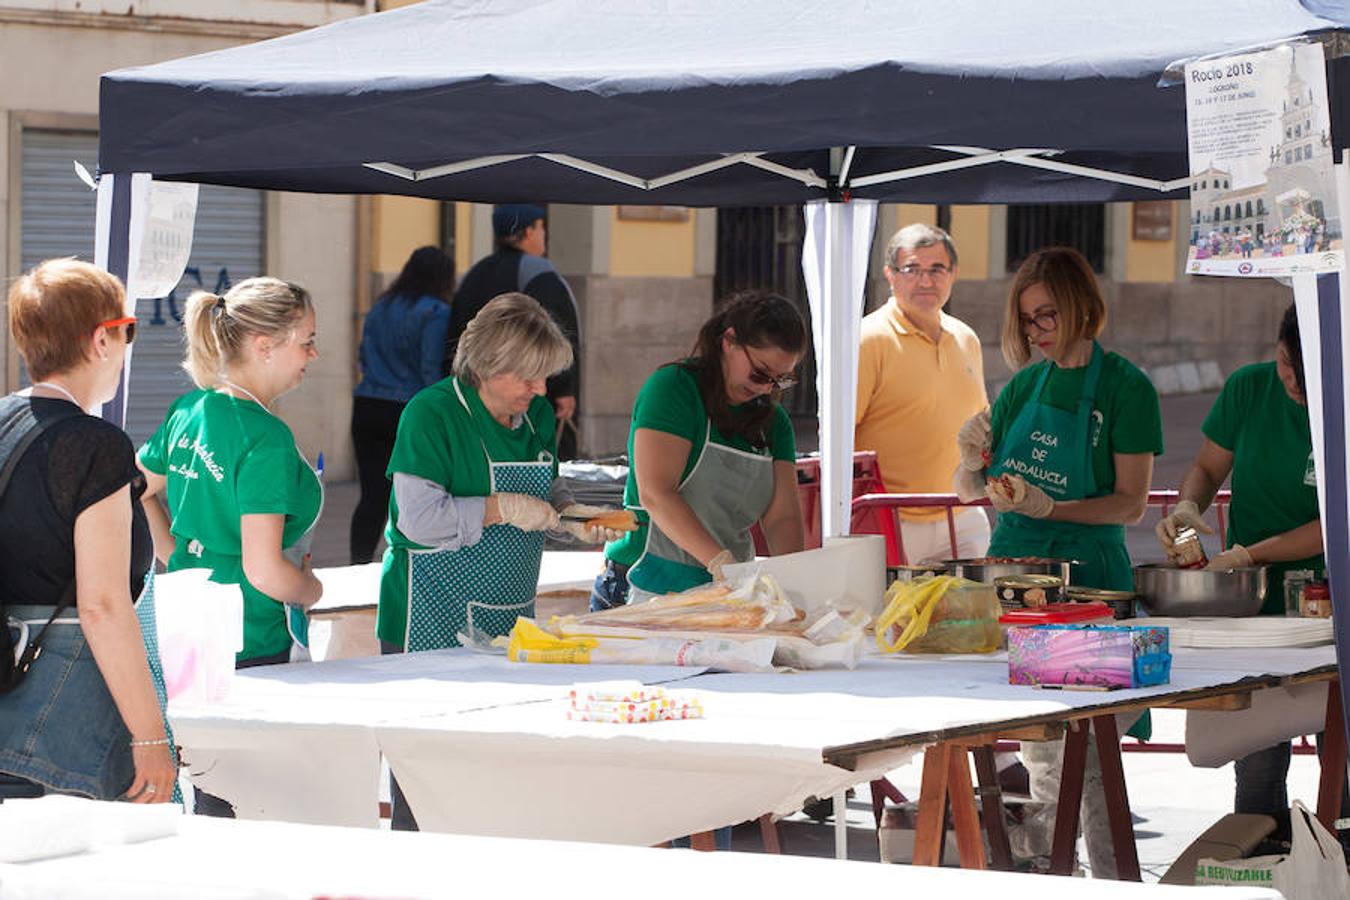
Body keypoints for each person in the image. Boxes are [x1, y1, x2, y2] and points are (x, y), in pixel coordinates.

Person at [957, 247, 1163, 877]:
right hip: (1015, 580)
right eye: (1026, 320)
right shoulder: (1022, 386)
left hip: (1090, 588)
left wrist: (1055, 508)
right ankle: (1056, 874)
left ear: (1082, 308)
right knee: (1041, 746)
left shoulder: (1128, 388)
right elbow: (970, 489)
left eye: (1046, 315)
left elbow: (1130, 505)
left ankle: (1110, 878)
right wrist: (969, 457)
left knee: (1093, 752)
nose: (1035, 331)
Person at [378, 292, 616, 830]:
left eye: (543, 378)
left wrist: (569, 514)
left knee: (491, 782)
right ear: (486, 366)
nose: (540, 391)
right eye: (527, 378)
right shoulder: (431, 413)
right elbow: (419, 520)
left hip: (510, 621)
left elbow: (544, 484)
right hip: (428, 620)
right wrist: (500, 508)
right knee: (427, 783)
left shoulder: (531, 415)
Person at [1157, 302, 1346, 847]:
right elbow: (1208, 467)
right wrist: (1188, 508)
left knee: (1343, 774)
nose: (1292, 383)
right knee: (1257, 774)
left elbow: (1337, 520)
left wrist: (1246, 555)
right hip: (1256, 614)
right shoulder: (1248, 388)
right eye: (1287, 365)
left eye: (1307, 376)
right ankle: (1257, 870)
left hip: (1331, 609)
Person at [138, 278, 324, 815]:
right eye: (306, 340)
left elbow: (135, 488)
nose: (314, 354)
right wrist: (311, 588)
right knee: (253, 803)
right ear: (264, 345)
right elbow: (263, 569)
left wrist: (175, 553)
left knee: (210, 787)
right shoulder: (264, 438)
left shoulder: (189, 410)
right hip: (253, 639)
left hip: (189, 631)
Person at [0, 259, 175, 804]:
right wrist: (150, 735)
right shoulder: (93, 444)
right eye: (128, 330)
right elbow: (102, 604)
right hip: (64, 713)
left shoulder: (5, 420)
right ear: (102, 339)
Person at [592, 291, 807, 611]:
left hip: (725, 594)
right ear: (729, 341)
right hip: (645, 585)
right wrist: (720, 563)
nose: (765, 388)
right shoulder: (673, 389)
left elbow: (782, 518)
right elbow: (656, 494)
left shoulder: (775, 424)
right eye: (760, 373)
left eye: (779, 381)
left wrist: (793, 585)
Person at [856, 223, 989, 562]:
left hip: (962, 516)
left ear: (953, 274)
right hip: (891, 518)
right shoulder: (868, 339)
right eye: (912, 269)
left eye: (936, 269)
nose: (926, 281)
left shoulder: (966, 338)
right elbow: (839, 437)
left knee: (975, 614)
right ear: (890, 274)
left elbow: (981, 427)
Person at [447, 204, 582, 459]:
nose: (544, 236)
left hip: (474, 391)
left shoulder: (476, 272)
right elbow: (554, 333)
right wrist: (565, 389)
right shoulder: (539, 273)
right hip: (521, 400)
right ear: (529, 231)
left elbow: (454, 330)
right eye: (542, 228)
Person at [350, 246, 454, 564]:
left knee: (371, 496)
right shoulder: (436, 311)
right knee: (414, 497)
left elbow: (363, 357)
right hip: (408, 410)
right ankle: (407, 565)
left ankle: (358, 563)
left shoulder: (380, 307)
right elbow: (430, 367)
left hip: (367, 404)